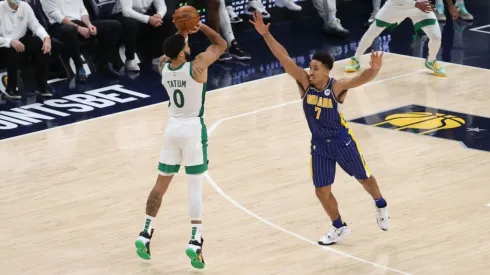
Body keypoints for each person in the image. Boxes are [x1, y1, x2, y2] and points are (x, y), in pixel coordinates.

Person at [249, 11, 390, 245]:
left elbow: (360, 79)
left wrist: (374, 70)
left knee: (364, 178)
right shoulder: (304, 83)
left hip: (341, 141)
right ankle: (339, 227)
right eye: (310, 67)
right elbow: (284, 58)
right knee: (321, 190)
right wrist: (266, 35)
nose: (310, 71)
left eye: (315, 68)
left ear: (326, 70)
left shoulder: (337, 87)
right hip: (319, 144)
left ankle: (381, 204)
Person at [134, 22, 227, 268]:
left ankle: (145, 232)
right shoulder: (197, 67)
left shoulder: (164, 67)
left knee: (160, 184)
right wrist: (201, 26)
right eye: (186, 44)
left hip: (172, 129)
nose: (189, 46)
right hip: (192, 129)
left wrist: (182, 34)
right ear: (182, 51)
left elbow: (169, 51)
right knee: (194, 186)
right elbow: (221, 44)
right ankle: (195, 241)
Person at [344, 0, 458, 77]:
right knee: (372, 31)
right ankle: (356, 59)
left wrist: (451, 6)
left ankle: (431, 61)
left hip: (420, 5)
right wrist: (416, 4)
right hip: (397, 5)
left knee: (436, 37)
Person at [41, 0, 122, 83]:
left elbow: (82, 10)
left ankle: (104, 65)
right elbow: (56, 16)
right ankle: (79, 68)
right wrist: (78, 28)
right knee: (70, 30)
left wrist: (89, 25)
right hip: (58, 25)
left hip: (79, 23)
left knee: (114, 26)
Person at [0, 0, 52, 100]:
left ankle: (41, 85)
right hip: (3, 45)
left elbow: (35, 26)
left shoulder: (25, 6)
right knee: (12, 49)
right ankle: (10, 88)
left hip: (19, 42)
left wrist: (46, 37)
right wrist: (10, 41)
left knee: (40, 44)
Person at [112, 0, 172, 71]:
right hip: (121, 14)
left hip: (142, 13)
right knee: (130, 24)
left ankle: (158, 56)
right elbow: (126, 11)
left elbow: (161, 5)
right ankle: (130, 59)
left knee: (167, 19)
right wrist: (148, 19)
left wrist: (159, 16)